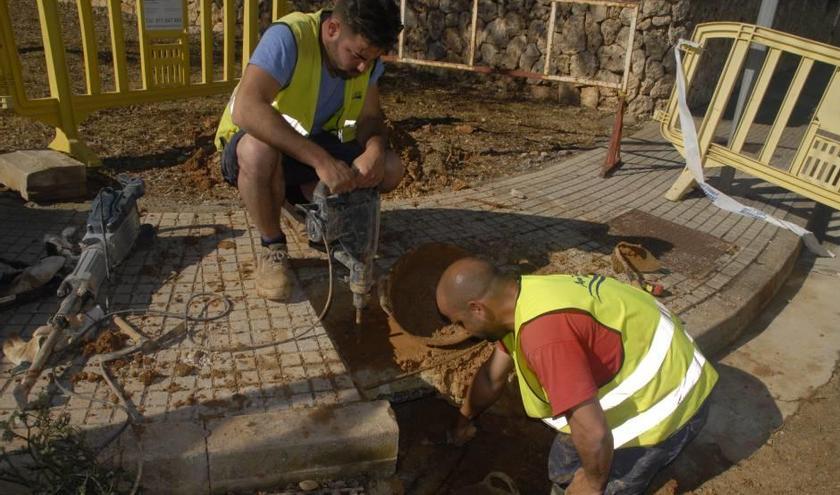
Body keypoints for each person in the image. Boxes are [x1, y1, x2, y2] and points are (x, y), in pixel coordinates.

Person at [436, 257, 718, 494]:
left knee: (595, 481)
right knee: (563, 471)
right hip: (644, 369)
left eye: (461, 322)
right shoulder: (522, 296)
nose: (464, 331)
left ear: (477, 308)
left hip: (670, 402)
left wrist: (593, 483)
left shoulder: (544, 338)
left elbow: (594, 434)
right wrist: (463, 420)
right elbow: (491, 377)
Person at [214, 0, 404, 301]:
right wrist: (321, 160)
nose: (362, 68)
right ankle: (272, 246)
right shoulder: (288, 37)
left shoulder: (364, 59)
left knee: (391, 168)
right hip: (261, 145)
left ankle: (303, 204)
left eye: (371, 60)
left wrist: (375, 149)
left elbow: (370, 118)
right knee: (257, 152)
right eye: (357, 56)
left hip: (309, 146)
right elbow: (247, 108)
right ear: (332, 29)